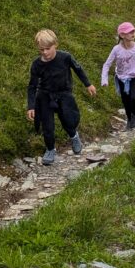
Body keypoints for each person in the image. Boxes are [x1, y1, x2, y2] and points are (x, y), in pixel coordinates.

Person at [27, 29, 97, 166]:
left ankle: (74, 136)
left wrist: (88, 84)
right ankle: (50, 149)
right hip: (45, 95)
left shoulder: (65, 57)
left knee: (68, 120)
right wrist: (31, 106)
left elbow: (78, 69)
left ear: (55, 45)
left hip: (64, 93)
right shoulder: (36, 64)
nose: (45, 53)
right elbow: (32, 86)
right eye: (41, 50)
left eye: (48, 48)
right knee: (47, 125)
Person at [101, 22, 135, 129]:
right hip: (121, 79)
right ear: (122, 35)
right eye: (130, 32)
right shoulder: (116, 49)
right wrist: (104, 79)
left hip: (134, 78)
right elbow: (107, 64)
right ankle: (129, 119)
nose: (133, 33)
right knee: (126, 101)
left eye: (133, 31)